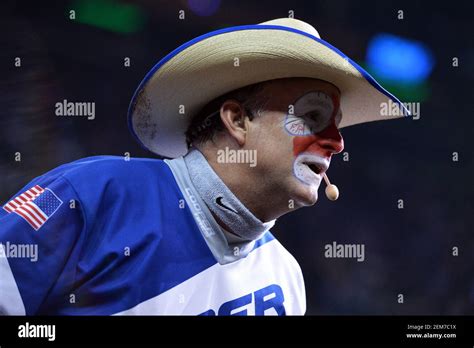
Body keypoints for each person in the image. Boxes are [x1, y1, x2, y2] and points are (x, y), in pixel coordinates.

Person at [0, 18, 408, 315]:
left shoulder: (286, 278)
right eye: (313, 118)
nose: (337, 142)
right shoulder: (90, 196)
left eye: (335, 126)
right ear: (237, 120)